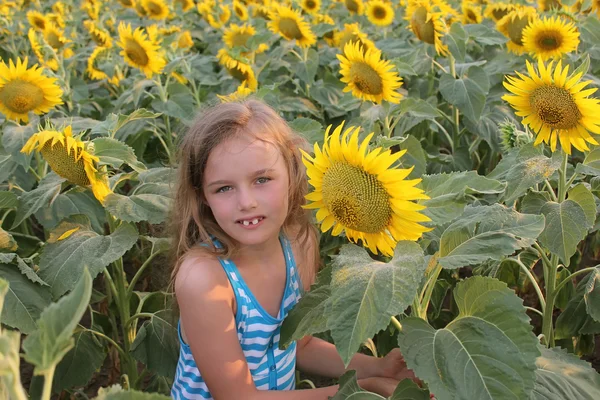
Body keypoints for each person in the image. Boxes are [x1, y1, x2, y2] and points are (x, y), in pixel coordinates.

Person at [169, 99, 415, 399]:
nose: (246, 202)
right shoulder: (205, 280)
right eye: (224, 188)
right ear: (203, 196)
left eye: (262, 179)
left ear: (292, 173)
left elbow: (301, 344)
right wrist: (362, 390)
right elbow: (237, 397)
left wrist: (379, 368)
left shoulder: (299, 244)